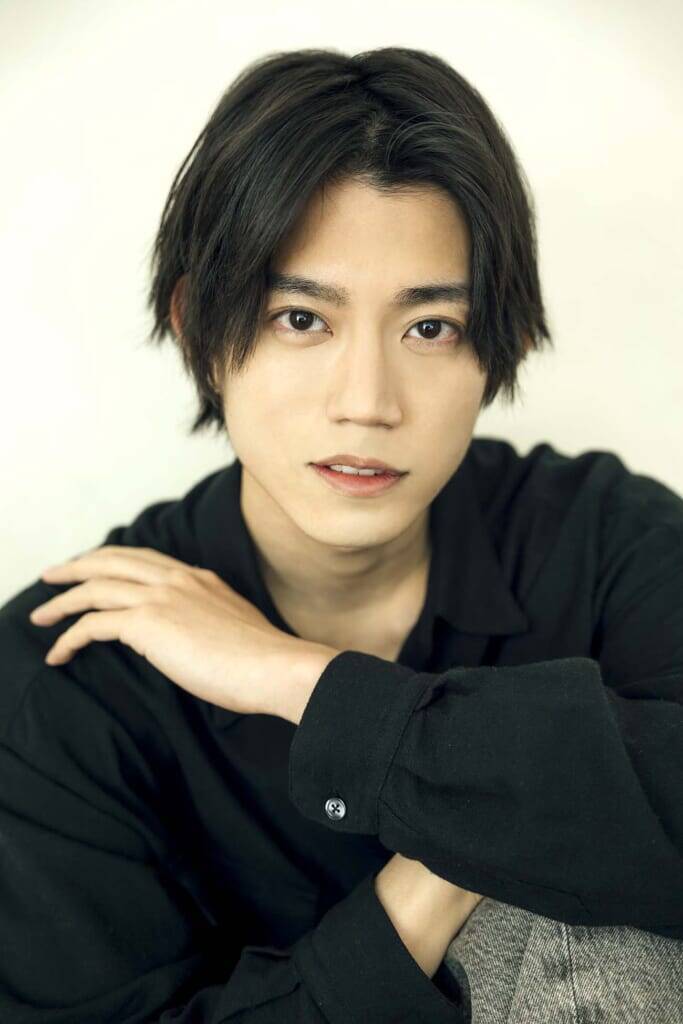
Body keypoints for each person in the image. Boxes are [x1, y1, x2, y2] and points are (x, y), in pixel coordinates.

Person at [1, 45, 682, 1023]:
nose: (365, 402)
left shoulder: (607, 541)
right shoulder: (63, 676)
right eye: (299, 318)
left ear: (502, 343)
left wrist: (306, 685)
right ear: (199, 329)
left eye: (429, 328)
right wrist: (460, 861)